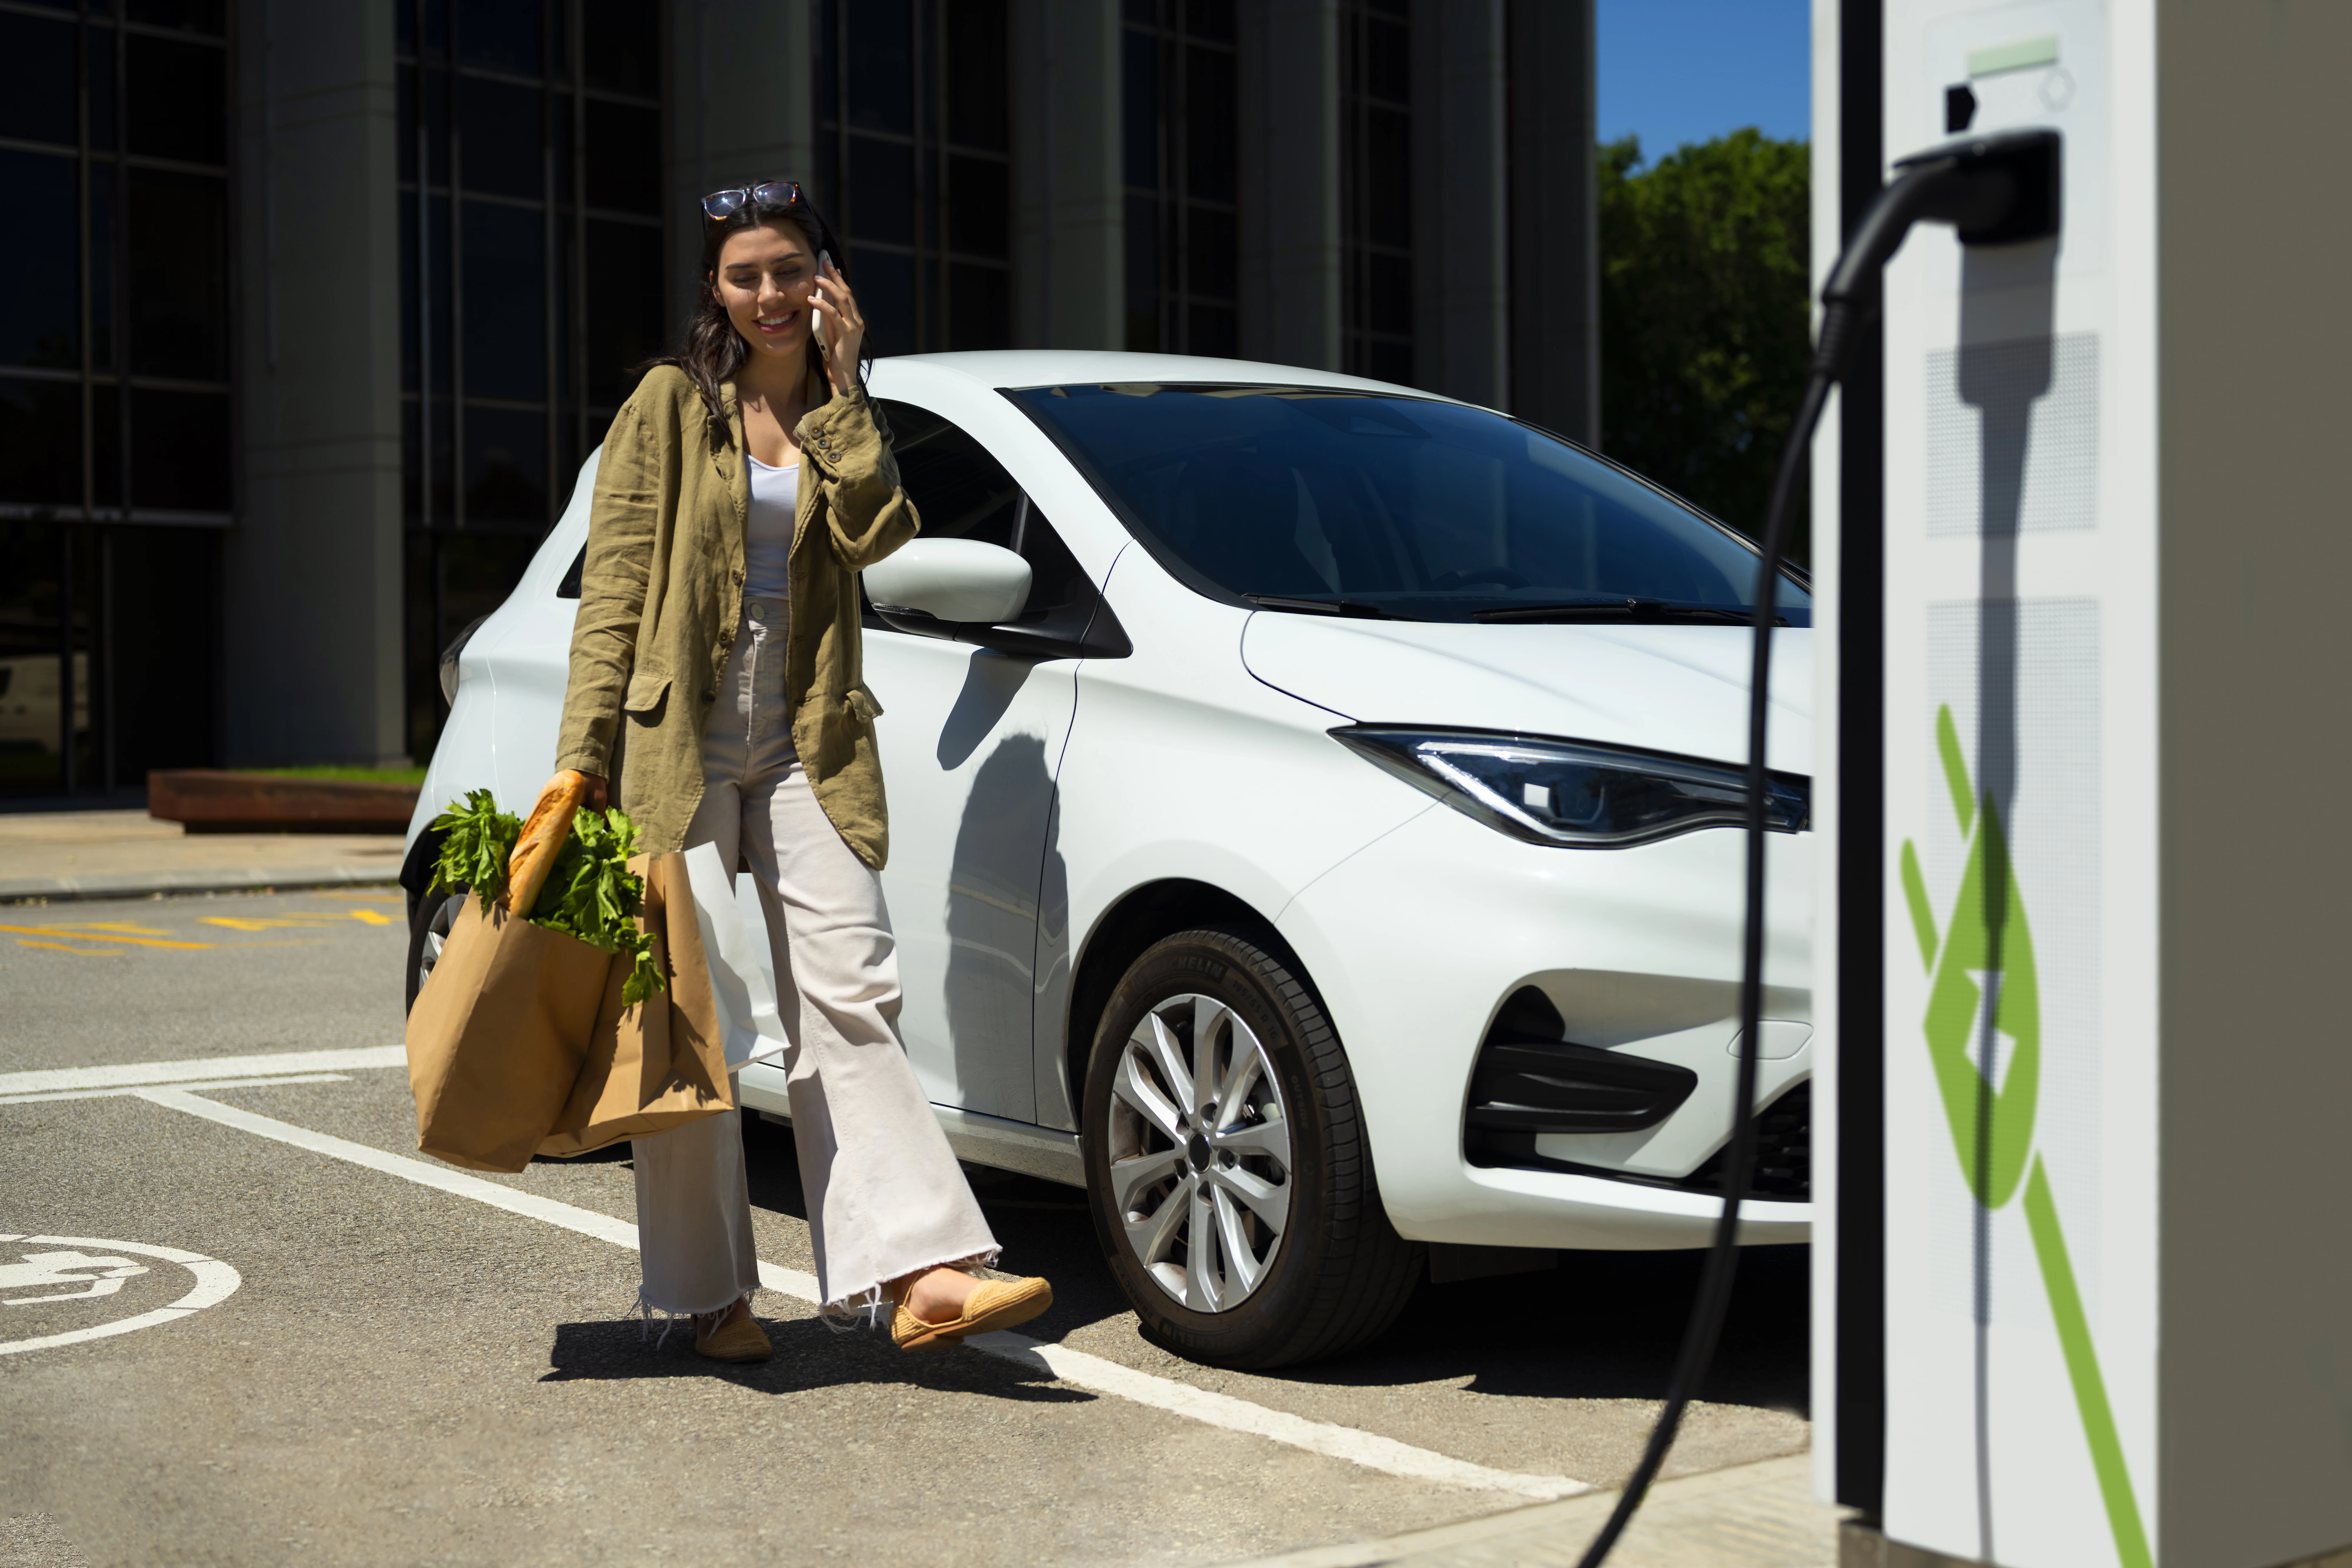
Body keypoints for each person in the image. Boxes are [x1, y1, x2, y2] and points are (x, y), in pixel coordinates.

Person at [544, 180, 1051, 1362]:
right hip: (678, 745)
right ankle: (706, 1294)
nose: (769, 294)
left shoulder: (834, 407)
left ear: (826, 278)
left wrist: (848, 381)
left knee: (851, 987)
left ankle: (919, 1273)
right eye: (744, 275)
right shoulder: (669, 406)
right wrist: (581, 764)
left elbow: (883, 537)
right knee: (693, 1014)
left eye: (789, 270)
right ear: (714, 289)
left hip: (805, 743)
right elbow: (613, 594)